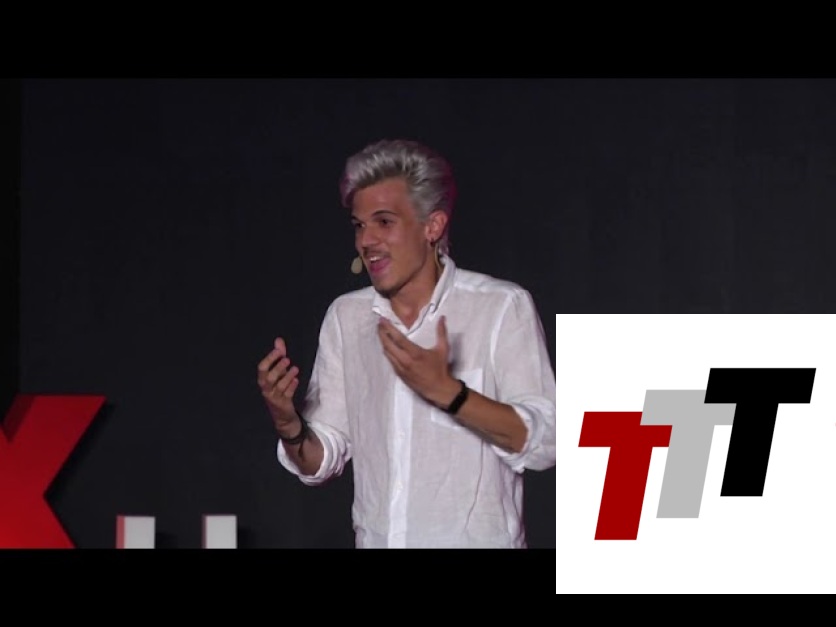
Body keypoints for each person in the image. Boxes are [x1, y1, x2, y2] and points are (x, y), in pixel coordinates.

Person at [257, 138, 556, 548]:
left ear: (433, 226)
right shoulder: (348, 317)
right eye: (359, 225)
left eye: (384, 222)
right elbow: (321, 459)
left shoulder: (499, 307)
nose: (366, 241)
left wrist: (451, 395)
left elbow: (547, 442)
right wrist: (289, 426)